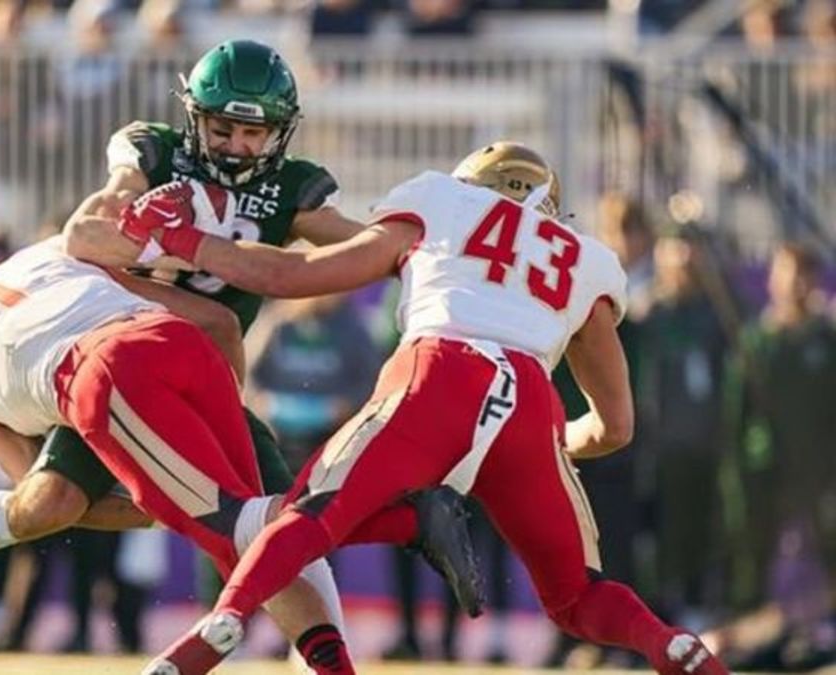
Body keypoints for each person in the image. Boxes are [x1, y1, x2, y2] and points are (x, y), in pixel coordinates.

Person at [0, 37, 481, 660]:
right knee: (55, 505)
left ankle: (321, 661)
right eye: (223, 128)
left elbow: (365, 249)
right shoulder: (156, 154)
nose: (235, 146)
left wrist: (446, 253)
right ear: (194, 118)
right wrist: (171, 243)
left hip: (198, 371)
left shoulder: (291, 190)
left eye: (252, 134)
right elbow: (86, 234)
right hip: (117, 351)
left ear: (279, 134)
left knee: (273, 523)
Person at [134, 141, 730, 675]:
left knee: (306, 517)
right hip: (528, 403)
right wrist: (552, 440)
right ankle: (673, 646)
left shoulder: (440, 202)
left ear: (470, 184)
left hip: (437, 371)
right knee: (577, 594)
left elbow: (293, 275)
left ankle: (221, 626)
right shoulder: (585, 258)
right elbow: (615, 425)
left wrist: (183, 240)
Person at [0, 229, 362, 673]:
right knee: (262, 523)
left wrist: (166, 507)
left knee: (245, 528)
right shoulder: (45, 271)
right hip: (157, 354)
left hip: (119, 367)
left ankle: (226, 638)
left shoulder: (59, 263)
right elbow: (220, 324)